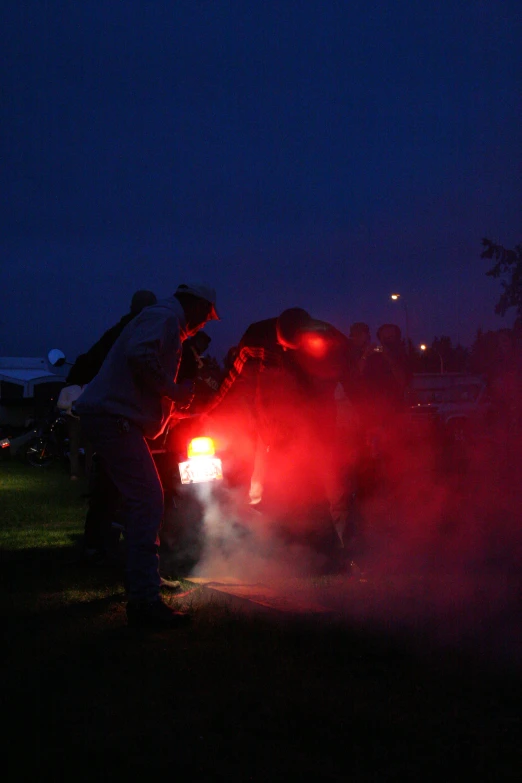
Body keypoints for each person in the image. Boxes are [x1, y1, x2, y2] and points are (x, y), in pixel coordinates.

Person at [75, 282, 220, 629]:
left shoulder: (163, 320)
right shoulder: (166, 317)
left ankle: (143, 586)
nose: (204, 324)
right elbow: (140, 356)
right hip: (113, 418)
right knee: (148, 500)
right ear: (197, 305)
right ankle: (144, 600)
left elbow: (141, 381)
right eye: (206, 316)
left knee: (140, 500)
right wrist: (174, 390)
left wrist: (179, 409)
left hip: (112, 417)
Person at [208, 308, 359, 563]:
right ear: (276, 334)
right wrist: (211, 408)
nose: (286, 352)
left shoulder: (332, 340)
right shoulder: (257, 337)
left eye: (293, 347)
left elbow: (354, 382)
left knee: (330, 487)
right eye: (282, 346)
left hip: (317, 427)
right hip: (269, 427)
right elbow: (233, 377)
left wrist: (366, 421)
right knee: (268, 487)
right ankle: (273, 548)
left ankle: (342, 551)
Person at [63, 290, 158, 480]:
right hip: (138, 417)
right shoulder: (155, 332)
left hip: (123, 416)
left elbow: (85, 367)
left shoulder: (119, 332)